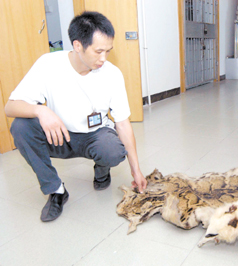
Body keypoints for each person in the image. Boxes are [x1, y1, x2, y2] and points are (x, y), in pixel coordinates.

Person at [4, 11, 147, 222]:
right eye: (98, 51)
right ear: (78, 45)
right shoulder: (48, 65)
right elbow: (10, 107)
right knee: (21, 127)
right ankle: (56, 190)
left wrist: (136, 170)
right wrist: (40, 110)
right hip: (60, 135)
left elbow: (123, 124)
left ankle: (102, 169)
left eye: (108, 51)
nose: (104, 58)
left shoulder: (112, 74)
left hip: (96, 135)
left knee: (112, 150)